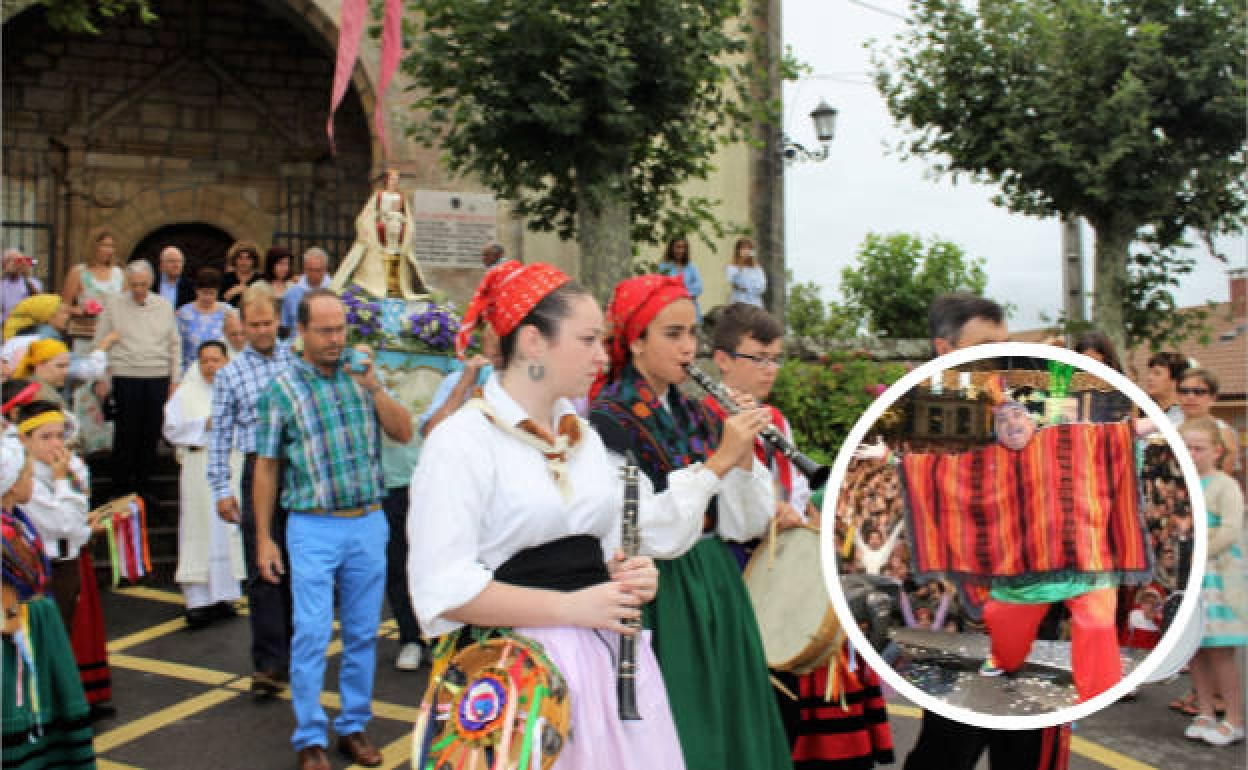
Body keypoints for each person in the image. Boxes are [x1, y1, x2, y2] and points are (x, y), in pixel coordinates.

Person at [409, 262, 706, 770]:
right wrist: (571, 609)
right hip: (512, 678)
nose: (601, 354)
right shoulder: (461, 442)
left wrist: (632, 573)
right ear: (532, 343)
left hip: (604, 664)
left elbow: (610, 545)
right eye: (588, 339)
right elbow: (443, 589)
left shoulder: (584, 438)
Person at [589, 274, 791, 770]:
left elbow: (745, 524)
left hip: (717, 584)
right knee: (684, 731)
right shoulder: (609, 420)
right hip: (663, 595)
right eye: (672, 334)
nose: (689, 347)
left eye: (693, 333)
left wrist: (743, 457)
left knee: (730, 727)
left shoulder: (698, 413)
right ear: (636, 341)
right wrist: (719, 462)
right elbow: (645, 532)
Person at [706, 302, 894, 770]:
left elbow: (796, 494)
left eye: (775, 358)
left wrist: (809, 524)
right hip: (735, 571)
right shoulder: (702, 417)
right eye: (758, 358)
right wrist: (772, 513)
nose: (770, 369)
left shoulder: (776, 420)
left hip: (782, 566)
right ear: (723, 359)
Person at [902, 293, 1069, 770]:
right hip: (963, 609)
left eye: (1001, 343)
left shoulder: (1023, 407)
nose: (994, 355)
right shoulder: (920, 413)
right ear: (944, 348)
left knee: (1025, 742)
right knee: (950, 743)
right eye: (982, 344)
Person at [252, 289, 411, 770]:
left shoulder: (360, 378)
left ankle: (353, 728)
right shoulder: (282, 389)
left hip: (367, 521)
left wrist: (376, 387)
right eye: (324, 330)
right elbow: (266, 466)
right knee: (312, 634)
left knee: (364, 633)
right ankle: (309, 738)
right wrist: (264, 537)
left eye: (340, 328)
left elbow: (403, 432)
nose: (335, 339)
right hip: (311, 526)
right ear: (300, 332)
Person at [208, 282, 295, 698]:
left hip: (298, 471)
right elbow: (220, 435)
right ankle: (269, 663)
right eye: (254, 324)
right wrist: (221, 489)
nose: (262, 330)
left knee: (301, 563)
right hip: (254, 469)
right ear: (242, 325)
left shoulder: (297, 361)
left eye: (268, 323)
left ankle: (299, 652)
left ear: (278, 322)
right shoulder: (230, 374)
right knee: (263, 567)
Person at [10, 397, 114, 720]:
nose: (56, 444)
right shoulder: (24, 476)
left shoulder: (67, 467)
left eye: (59, 435)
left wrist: (80, 525)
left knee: (63, 636)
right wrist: (61, 483)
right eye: (45, 437)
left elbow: (76, 519)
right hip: (45, 567)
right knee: (45, 642)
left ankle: (56, 706)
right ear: (24, 439)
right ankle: (45, 710)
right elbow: (63, 523)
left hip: (68, 560)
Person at [1, 435, 98, 770]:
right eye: (28, 476)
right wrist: (16, 625)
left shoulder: (18, 523)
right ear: (12, 486)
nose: (32, 481)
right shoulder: (5, 534)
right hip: (17, 633)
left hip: (38, 624)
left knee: (44, 699)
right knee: (20, 703)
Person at [164, 340, 245, 629]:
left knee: (226, 530)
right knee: (198, 528)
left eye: (216, 360)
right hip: (199, 466)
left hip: (229, 465)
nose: (211, 366)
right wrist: (204, 424)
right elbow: (171, 428)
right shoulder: (187, 392)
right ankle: (198, 601)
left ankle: (223, 595)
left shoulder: (237, 390)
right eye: (205, 361)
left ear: (226, 361)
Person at [1177, 416, 1245, 747]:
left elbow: (1232, 528)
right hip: (1189, 576)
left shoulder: (1223, 485)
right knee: (1195, 648)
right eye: (1185, 447)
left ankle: (1233, 718)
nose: (1191, 454)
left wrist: (1200, 548)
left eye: (1198, 448)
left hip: (1216, 578)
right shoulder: (1181, 486)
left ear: (1217, 451)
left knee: (1220, 652)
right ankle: (1204, 711)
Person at [94, 260, 180, 506]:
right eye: (134, 285)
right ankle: (119, 487)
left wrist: (174, 380)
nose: (139, 289)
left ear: (151, 282)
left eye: (143, 284)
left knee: (150, 433)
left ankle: (145, 486)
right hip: (125, 374)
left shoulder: (163, 306)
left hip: (157, 375)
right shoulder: (114, 304)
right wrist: (102, 378)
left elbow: (175, 344)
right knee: (125, 433)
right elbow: (101, 342)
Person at [330, 169, 429, 299]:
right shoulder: (379, 195)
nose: (395, 182)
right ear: (387, 180)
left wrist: (403, 225)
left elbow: (407, 217)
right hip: (382, 225)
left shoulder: (401, 197)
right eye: (392, 179)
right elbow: (367, 215)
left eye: (397, 179)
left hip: (396, 224)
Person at [418, 325, 501, 438]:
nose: (500, 353)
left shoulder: (524, 383)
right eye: (495, 347)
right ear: (484, 347)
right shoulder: (460, 378)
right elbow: (430, 433)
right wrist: (463, 384)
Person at [1176, 368, 1239, 475]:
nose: (1190, 396)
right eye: (1184, 391)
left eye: (1199, 392)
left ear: (1213, 398)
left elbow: (1223, 479)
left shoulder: (1223, 433)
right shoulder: (1169, 428)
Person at [175, 267, 230, 374]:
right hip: (190, 372)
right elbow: (177, 346)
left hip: (221, 373)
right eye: (204, 292)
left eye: (212, 293)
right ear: (196, 290)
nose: (208, 297)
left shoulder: (228, 312)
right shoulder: (184, 313)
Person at [61, 226, 124, 316]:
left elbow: (127, 305)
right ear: (94, 247)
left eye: (112, 246)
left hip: (113, 328)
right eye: (105, 245)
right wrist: (82, 311)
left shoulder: (119, 273)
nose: (110, 250)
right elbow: (64, 306)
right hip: (86, 327)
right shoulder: (78, 272)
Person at [280, 247, 332, 335]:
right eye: (310, 270)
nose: (314, 274)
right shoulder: (291, 293)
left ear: (325, 269)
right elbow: (285, 327)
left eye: (318, 270)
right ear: (304, 269)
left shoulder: (335, 290)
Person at [657, 237, 703, 320]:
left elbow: (699, 288)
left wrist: (679, 292)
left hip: (690, 310)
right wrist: (683, 290)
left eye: (683, 247)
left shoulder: (691, 267)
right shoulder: (663, 267)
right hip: (670, 309)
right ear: (671, 248)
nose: (681, 250)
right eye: (678, 247)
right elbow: (661, 288)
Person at [1142, 351, 1188, 423]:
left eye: (1157, 373)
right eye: (1149, 373)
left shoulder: (1184, 416)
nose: (1149, 378)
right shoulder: (1144, 411)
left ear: (1175, 380)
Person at [1, 247, 42, 323]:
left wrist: (26, 275)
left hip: (27, 325)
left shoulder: (32, 282)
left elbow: (38, 300)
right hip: (6, 325)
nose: (15, 264)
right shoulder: (2, 284)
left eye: (17, 260)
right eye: (10, 260)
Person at [221, 240, 264, 308]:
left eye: (248, 258)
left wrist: (249, 294)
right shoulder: (225, 278)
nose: (244, 262)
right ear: (234, 260)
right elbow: (216, 304)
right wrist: (229, 294)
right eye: (240, 258)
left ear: (254, 261)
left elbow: (265, 304)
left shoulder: (261, 280)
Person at [726, 236, 766, 308]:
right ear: (738, 250)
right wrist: (740, 264)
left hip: (755, 303)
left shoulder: (757, 268)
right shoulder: (732, 266)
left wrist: (748, 288)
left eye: (748, 248)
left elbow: (762, 287)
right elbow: (733, 281)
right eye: (743, 248)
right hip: (738, 302)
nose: (746, 251)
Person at [152, 246, 195, 310]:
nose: (176, 265)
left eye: (179, 261)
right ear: (162, 264)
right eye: (172, 261)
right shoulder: (152, 283)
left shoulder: (190, 286)